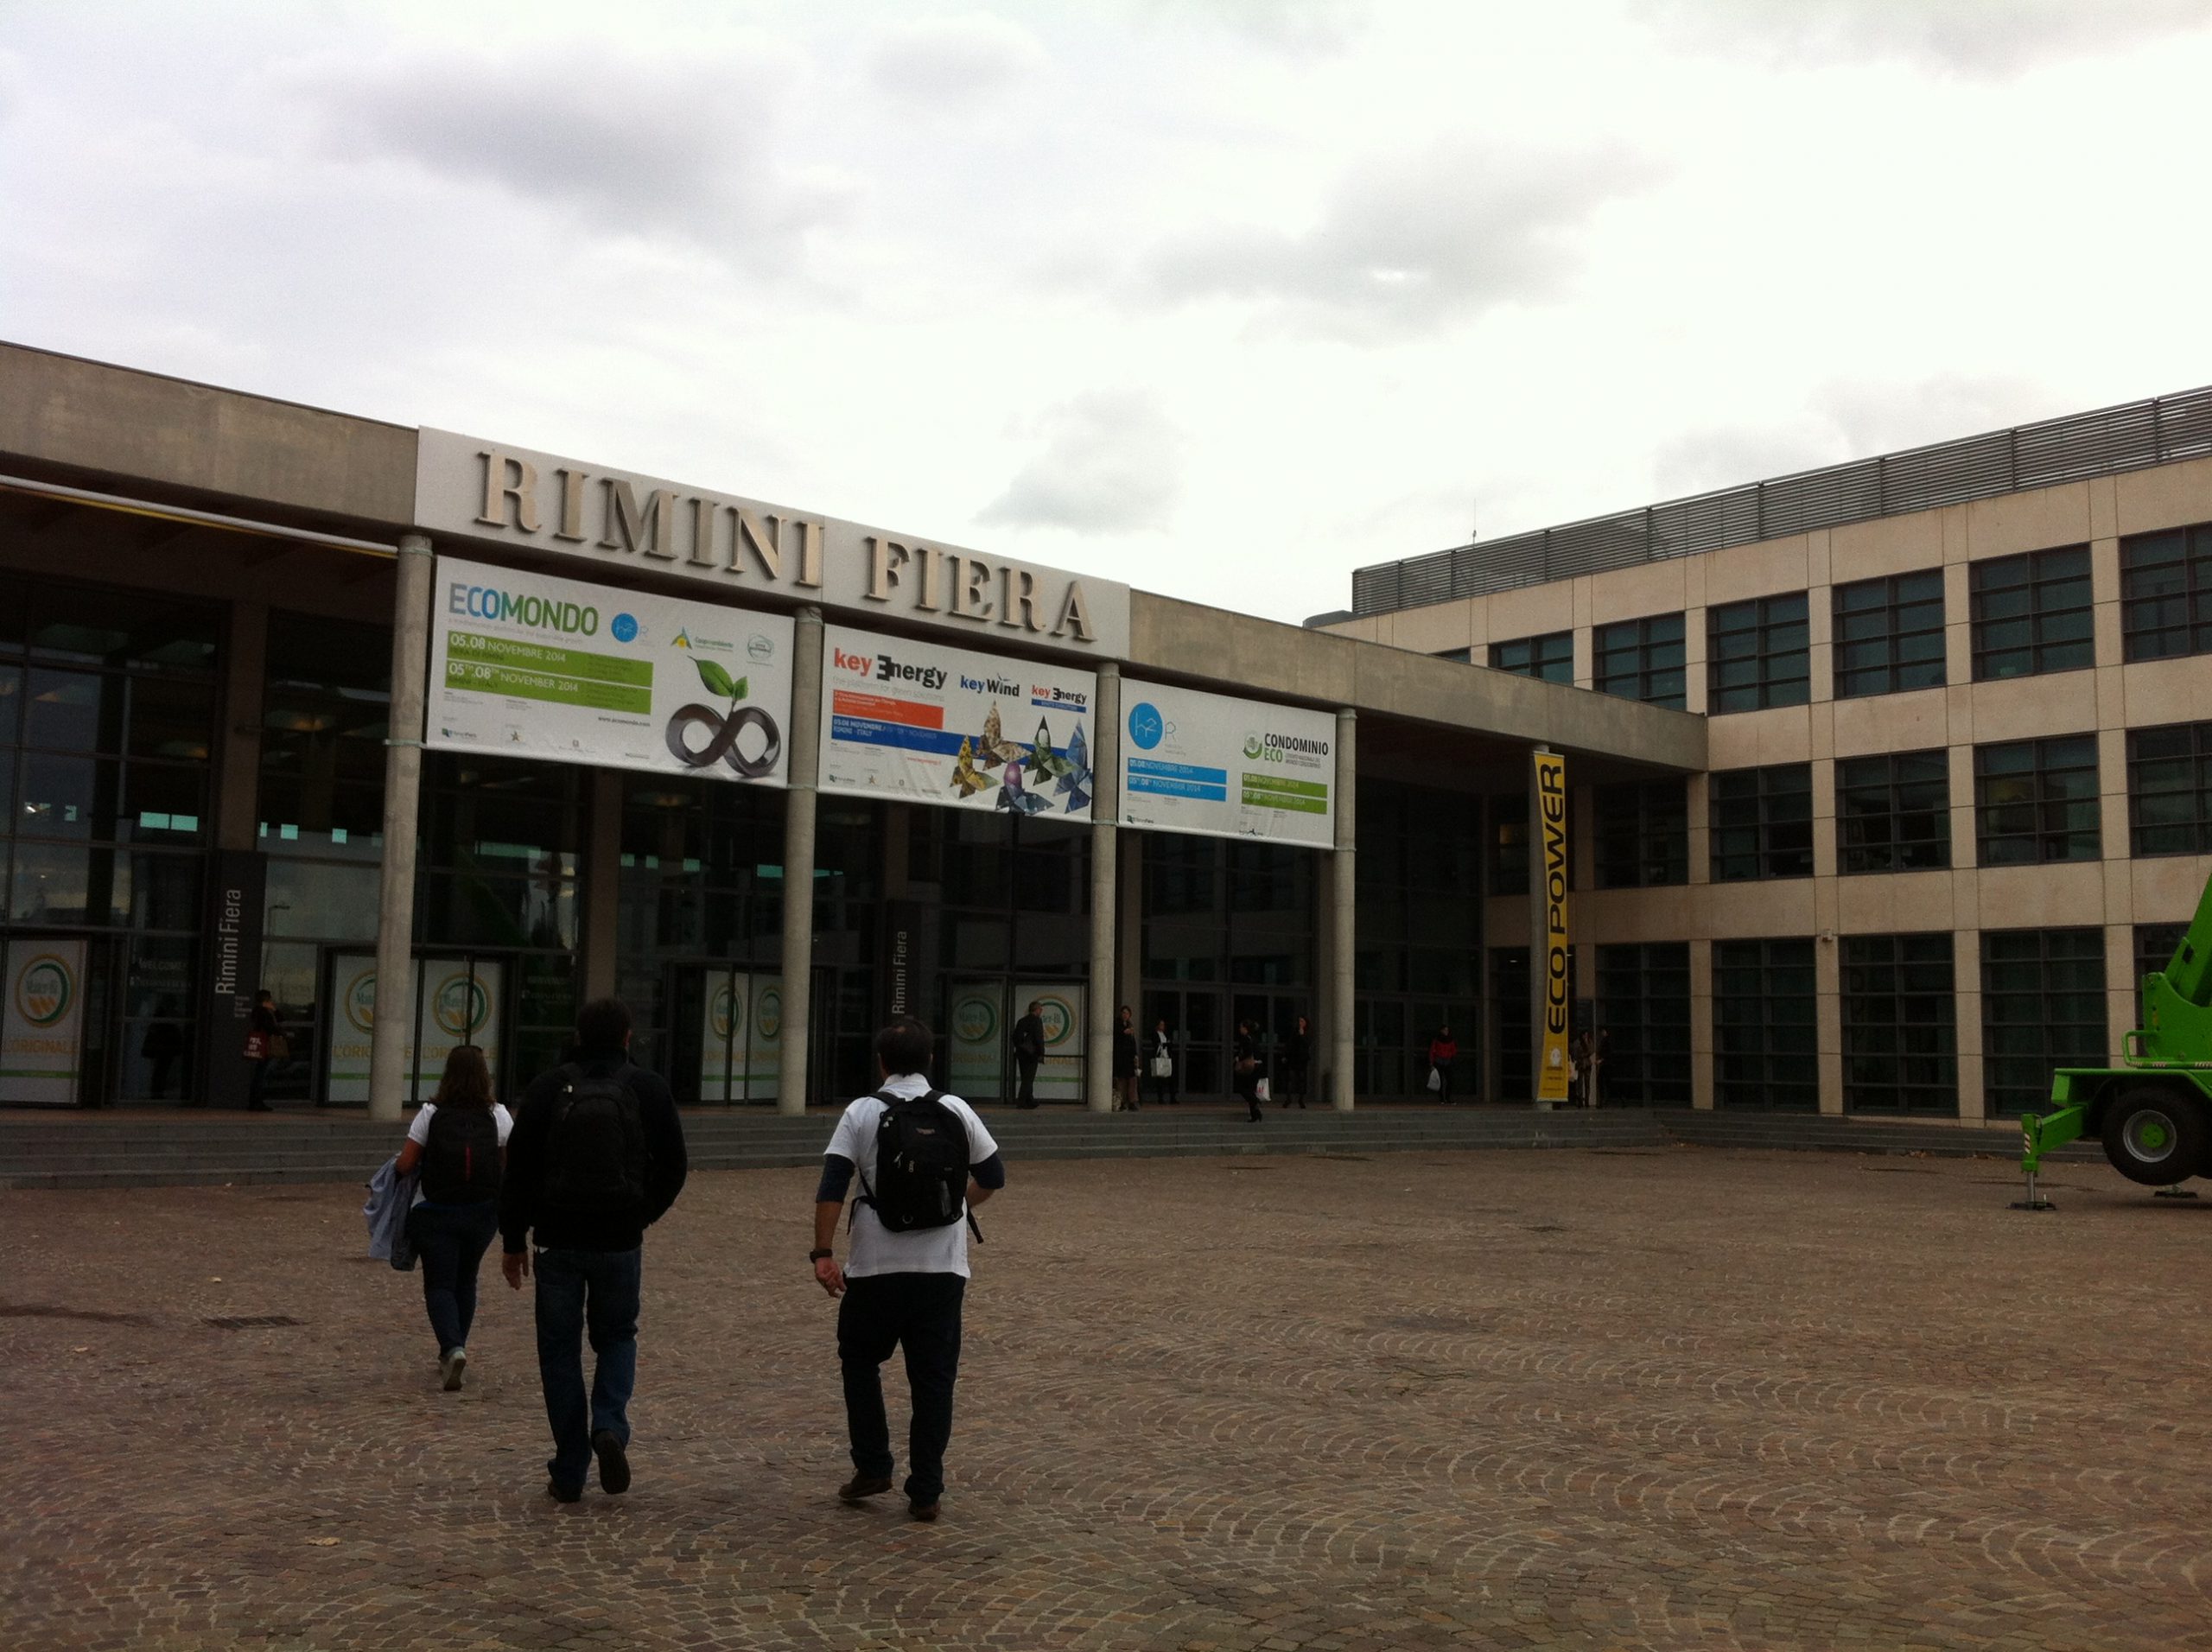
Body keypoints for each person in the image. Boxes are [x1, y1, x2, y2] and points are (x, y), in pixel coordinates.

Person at [813, 1017, 1006, 1524]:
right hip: (943, 1268)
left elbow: (833, 1183)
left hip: (876, 1265)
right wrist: (954, 1205)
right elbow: (993, 1175)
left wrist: (822, 1253)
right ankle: (926, 1491)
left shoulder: (862, 1111)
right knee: (934, 1380)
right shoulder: (956, 1109)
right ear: (931, 1061)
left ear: (881, 1063)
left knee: (859, 1360)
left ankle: (874, 1464)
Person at [500, 997, 689, 1503]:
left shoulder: (547, 1087)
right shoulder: (645, 1087)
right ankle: (608, 1425)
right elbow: (675, 1164)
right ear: (628, 1037)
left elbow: (516, 1170)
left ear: (578, 1037)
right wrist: (642, 1214)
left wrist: (513, 1240)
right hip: (619, 1239)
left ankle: (569, 1468)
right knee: (618, 1336)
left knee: (559, 1351)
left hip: (557, 1239)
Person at [397, 1044, 510, 1390]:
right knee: (467, 1278)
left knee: (440, 1283)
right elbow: (508, 1167)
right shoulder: (499, 1114)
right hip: (482, 1212)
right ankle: (456, 1344)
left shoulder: (431, 1113)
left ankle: (452, 1347)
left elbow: (405, 1163)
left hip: (436, 1211)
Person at [245, 990, 281, 1112]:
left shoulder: (262, 1011)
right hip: (265, 1045)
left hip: (265, 1045)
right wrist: (281, 1033)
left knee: (260, 1073)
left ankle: (256, 1101)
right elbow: (269, 1027)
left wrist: (274, 1010)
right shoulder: (261, 1012)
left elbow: (281, 1018)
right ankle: (256, 1101)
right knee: (261, 1074)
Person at [1010, 1000, 1045, 1109]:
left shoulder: (1022, 1021)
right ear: (1036, 1010)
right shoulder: (1037, 1021)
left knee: (1025, 1076)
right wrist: (1041, 1052)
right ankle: (1022, 1101)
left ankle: (1029, 1099)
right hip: (1032, 1054)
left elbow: (1015, 1037)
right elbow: (1039, 1038)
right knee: (1029, 1078)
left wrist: (1020, 1046)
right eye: (1040, 1009)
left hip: (1022, 1053)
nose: (1041, 1011)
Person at [1111, 1005, 1140, 1111]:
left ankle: (1132, 1101)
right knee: (1121, 1080)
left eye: (1127, 1013)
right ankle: (1121, 1101)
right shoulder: (1117, 1024)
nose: (1125, 1015)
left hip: (1129, 1058)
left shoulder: (1130, 1025)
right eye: (1124, 1013)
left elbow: (1133, 1042)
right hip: (1120, 1057)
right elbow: (1116, 1036)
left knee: (1132, 1080)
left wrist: (1135, 1055)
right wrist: (1124, 1032)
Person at [1233, 1020, 1262, 1123]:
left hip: (1249, 1067)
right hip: (1257, 1066)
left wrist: (1238, 1058)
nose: (1240, 1029)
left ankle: (1254, 1102)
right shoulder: (1254, 1038)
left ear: (1245, 1028)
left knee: (1242, 1087)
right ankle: (1255, 1113)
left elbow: (1247, 1052)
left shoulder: (1246, 1039)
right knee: (1250, 1088)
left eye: (1241, 1027)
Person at [1280, 1015, 1311, 1109]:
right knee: (1290, 1078)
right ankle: (1288, 1099)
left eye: (1302, 1021)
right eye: (1299, 1021)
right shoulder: (1294, 1032)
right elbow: (1289, 1043)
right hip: (1293, 1058)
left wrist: (1302, 1035)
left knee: (1301, 1079)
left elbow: (1307, 1044)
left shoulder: (1308, 1032)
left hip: (1302, 1059)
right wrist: (1285, 1055)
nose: (1300, 1023)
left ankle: (1301, 1100)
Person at [1145, 1018, 1177, 1108]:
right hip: (1160, 1057)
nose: (1162, 1026)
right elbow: (1157, 1044)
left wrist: (1168, 1044)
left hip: (1167, 1056)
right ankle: (1160, 1098)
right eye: (1161, 1024)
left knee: (1171, 1077)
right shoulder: (1154, 1034)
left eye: (1163, 1025)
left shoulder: (1165, 1034)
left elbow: (1169, 1043)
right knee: (1160, 1080)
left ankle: (1172, 1097)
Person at [1427, 1025, 1459, 1105]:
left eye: (1447, 1030)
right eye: (1445, 1030)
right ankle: (1442, 1099)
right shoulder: (1436, 1040)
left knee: (1450, 1080)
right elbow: (1432, 1051)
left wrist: (1452, 1058)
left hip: (1447, 1061)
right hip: (1438, 1061)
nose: (1446, 1032)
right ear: (1441, 1031)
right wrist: (1431, 1062)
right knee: (1440, 1080)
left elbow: (1453, 1050)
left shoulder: (1451, 1040)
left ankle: (1448, 1098)